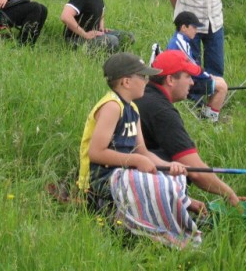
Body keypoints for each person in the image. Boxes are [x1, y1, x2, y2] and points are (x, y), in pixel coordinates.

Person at [77, 52, 201, 247]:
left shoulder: (133, 109)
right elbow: (96, 153)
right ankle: (163, 232)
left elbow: (142, 151)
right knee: (160, 186)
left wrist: (169, 166)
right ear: (126, 82)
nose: (147, 81)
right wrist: (135, 161)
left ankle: (178, 213)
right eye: (143, 77)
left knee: (173, 178)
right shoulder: (112, 106)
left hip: (122, 173)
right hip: (100, 180)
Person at [136, 49, 246, 207]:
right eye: (188, 76)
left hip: (118, 173)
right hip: (123, 181)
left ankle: (176, 201)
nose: (192, 82)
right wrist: (229, 194)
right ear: (170, 80)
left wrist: (188, 202)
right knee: (181, 166)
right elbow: (196, 170)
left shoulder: (145, 95)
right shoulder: (162, 112)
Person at [166, 11, 228, 122]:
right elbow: (192, 67)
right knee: (222, 87)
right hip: (182, 82)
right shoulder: (180, 42)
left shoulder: (180, 40)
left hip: (184, 78)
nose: (196, 30)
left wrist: (208, 76)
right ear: (184, 27)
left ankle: (206, 116)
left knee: (219, 80)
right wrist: (208, 77)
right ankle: (211, 122)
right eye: (194, 27)